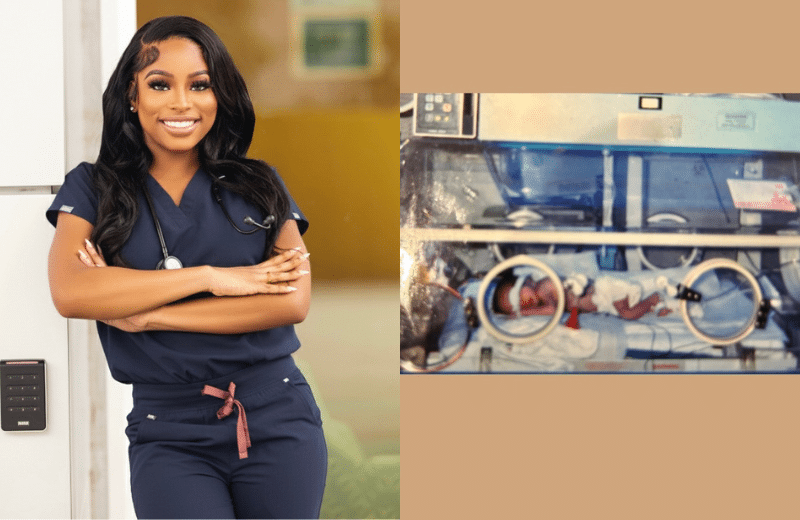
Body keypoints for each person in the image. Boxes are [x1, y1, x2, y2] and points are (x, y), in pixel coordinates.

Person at [46, 16, 326, 519]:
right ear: (133, 96)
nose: (182, 103)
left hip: (277, 417)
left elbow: (291, 301)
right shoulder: (94, 189)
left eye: (200, 85)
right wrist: (212, 279)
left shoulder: (260, 184)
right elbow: (72, 291)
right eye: (160, 85)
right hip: (168, 429)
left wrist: (149, 313)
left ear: (220, 97)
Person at [493, 272, 675, 320]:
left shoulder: (543, 287)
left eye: (518, 296)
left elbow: (551, 310)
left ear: (524, 282)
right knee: (636, 311)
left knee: (628, 314)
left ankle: (654, 298)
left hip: (604, 290)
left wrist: (522, 314)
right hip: (602, 302)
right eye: (518, 306)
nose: (523, 303)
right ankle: (662, 304)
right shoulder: (541, 297)